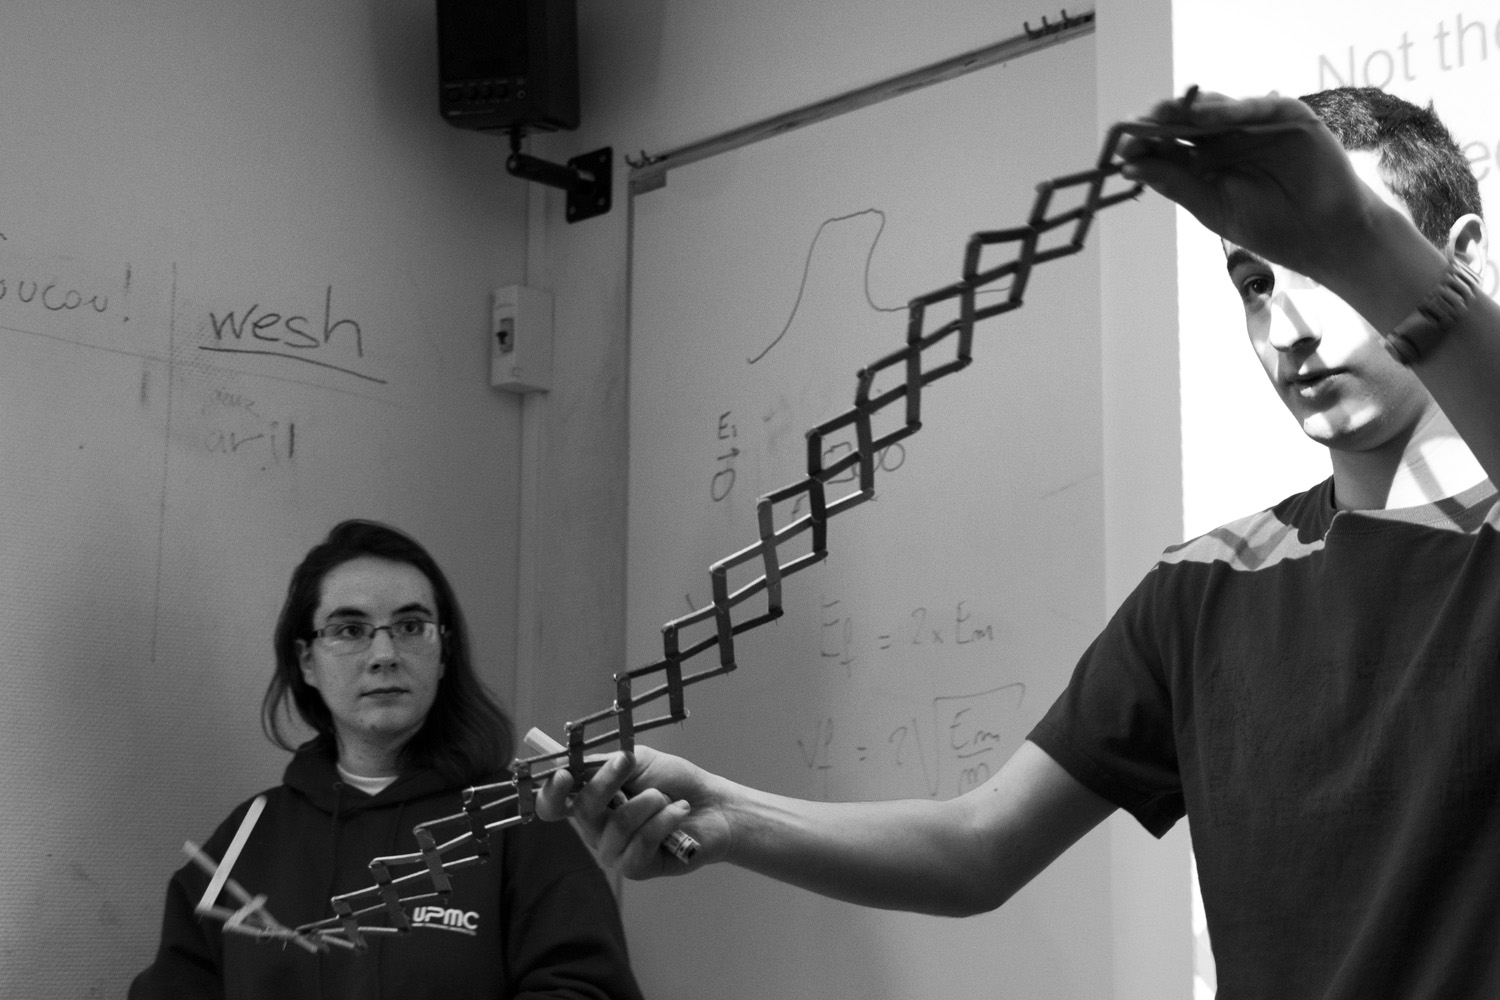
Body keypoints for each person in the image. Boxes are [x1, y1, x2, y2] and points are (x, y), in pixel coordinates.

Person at [538, 86, 1500, 998]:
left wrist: (1359, 235)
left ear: (1463, 255)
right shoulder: (1209, 588)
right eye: (1254, 282)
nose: (1287, 326)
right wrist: (729, 815)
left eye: (1325, 265)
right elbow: (979, 846)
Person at [131, 519, 645, 1000]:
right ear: (307, 661)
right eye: (350, 630)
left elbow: (587, 989)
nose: (384, 655)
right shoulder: (245, 839)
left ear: (443, 652)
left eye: (410, 626)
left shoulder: (520, 822)